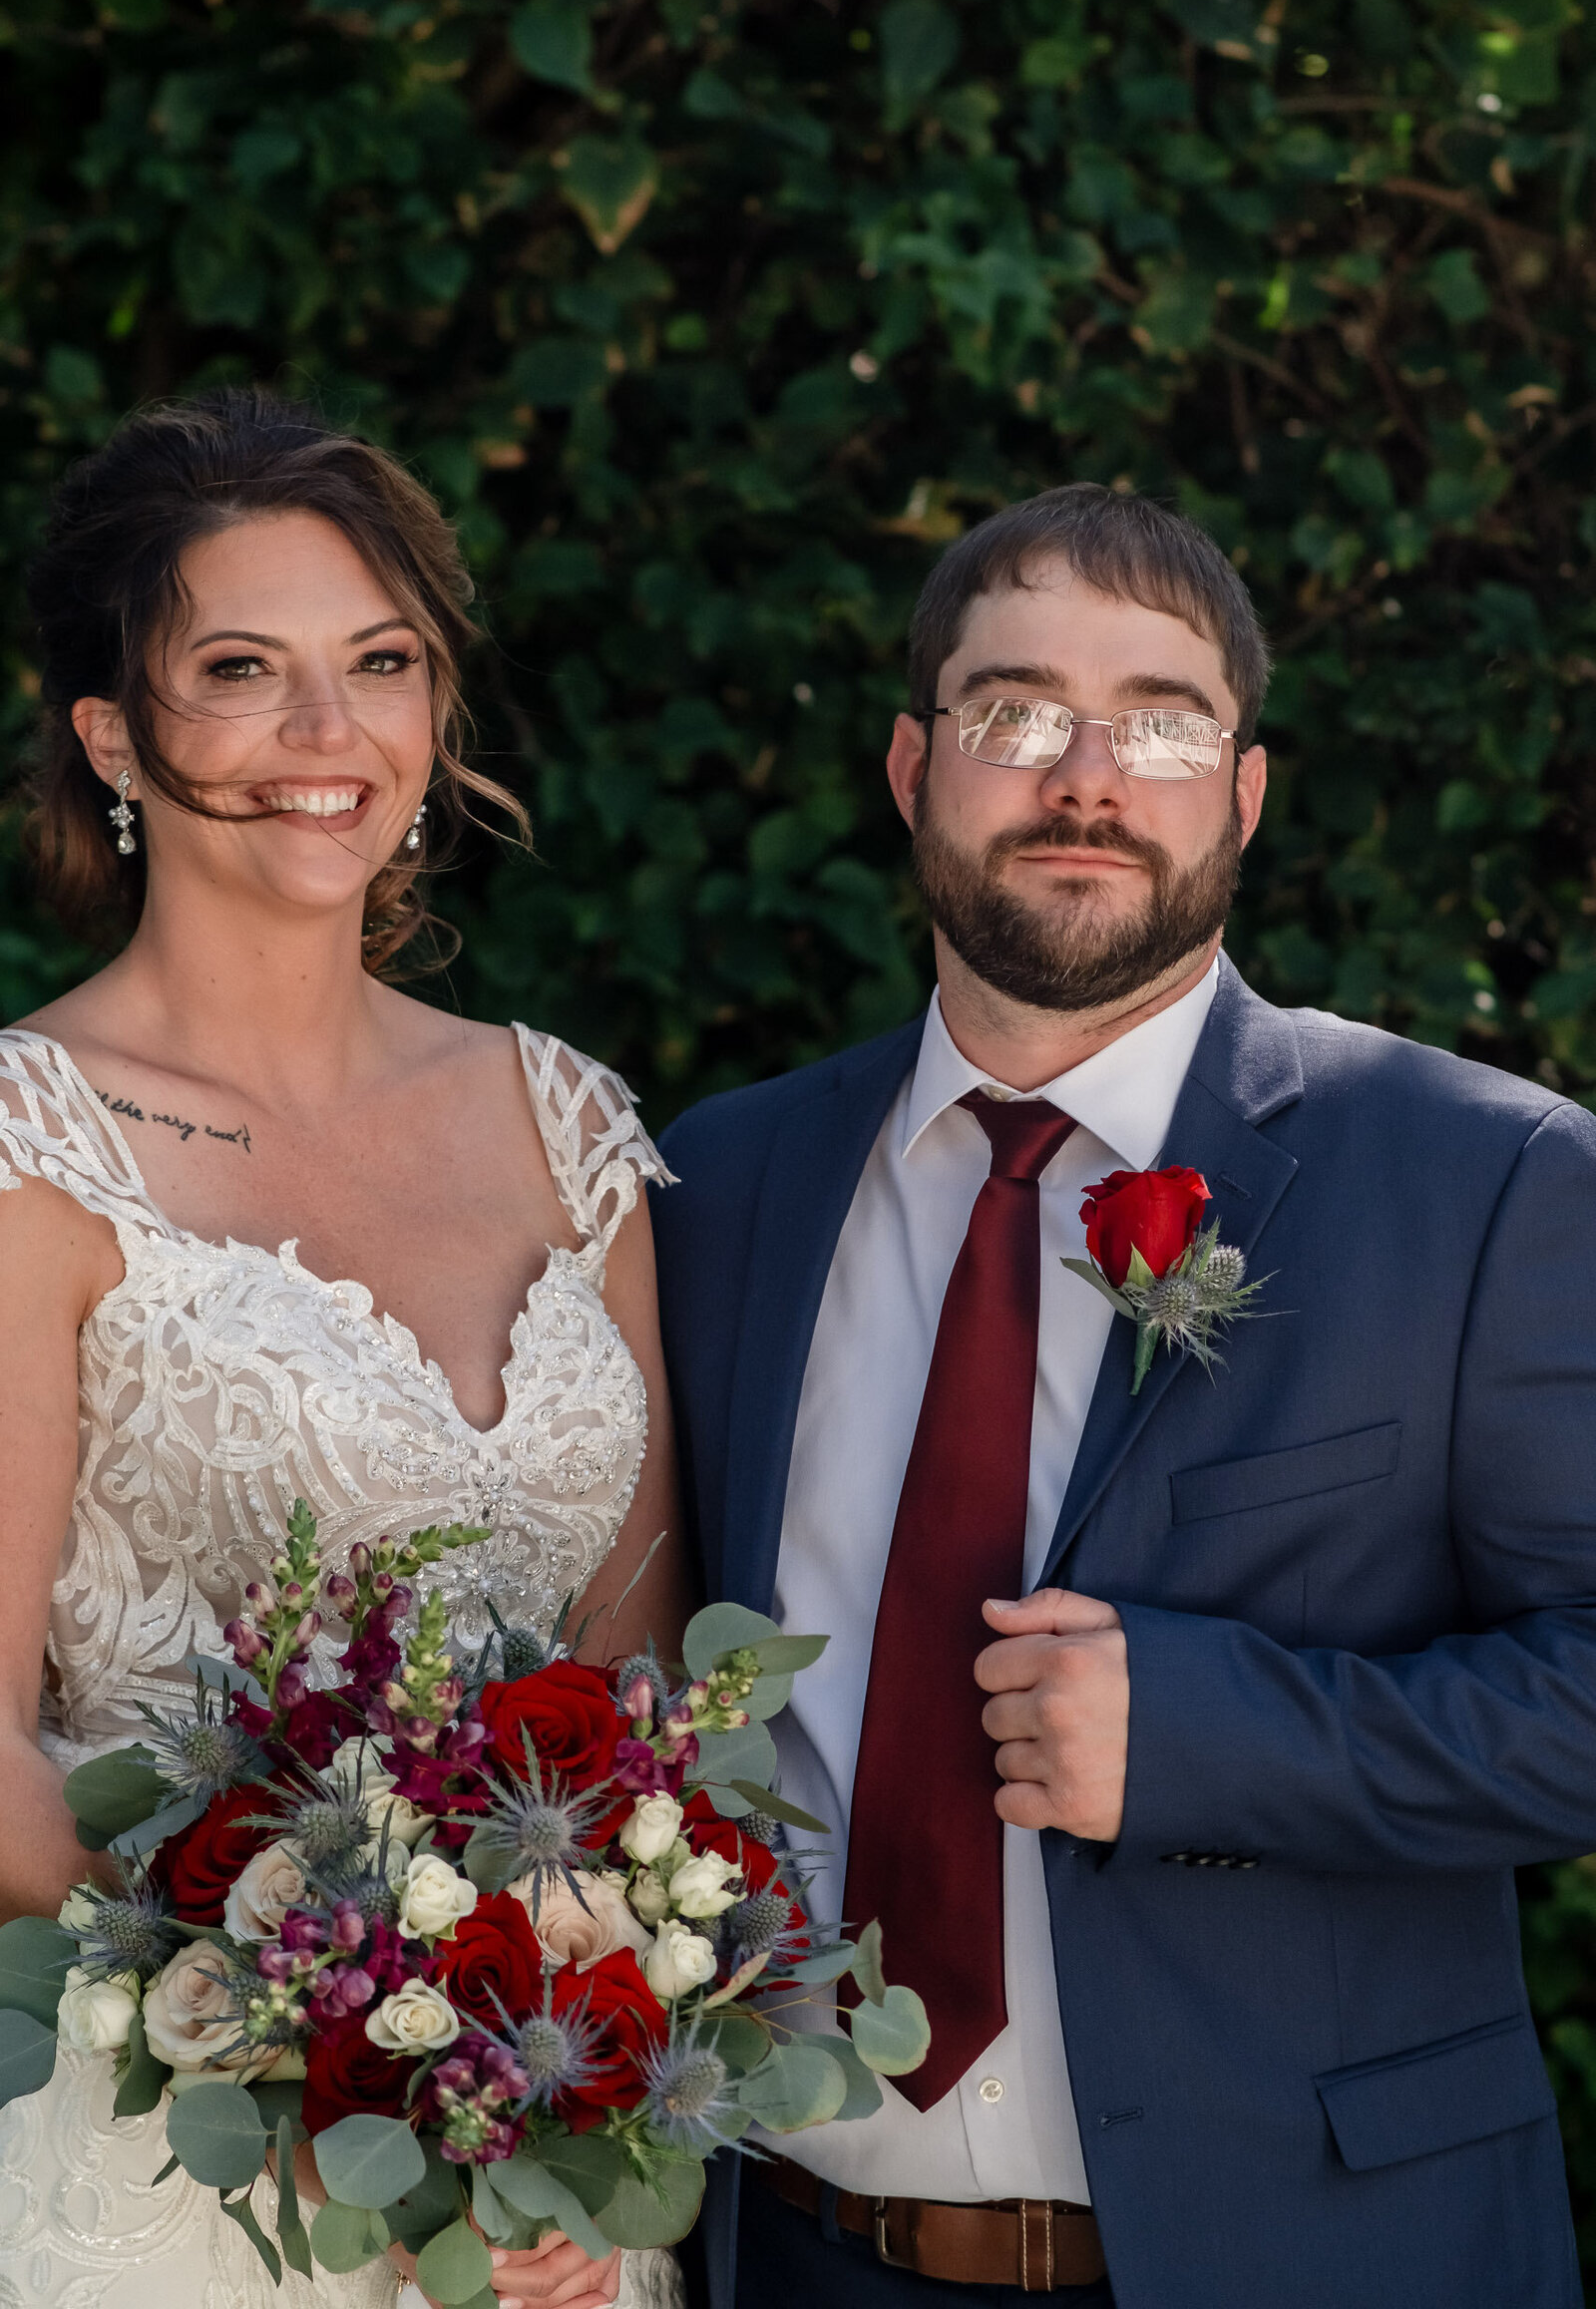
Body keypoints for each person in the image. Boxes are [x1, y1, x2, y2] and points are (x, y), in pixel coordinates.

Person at [651, 482, 1595, 2309]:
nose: (1087, 778)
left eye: (1160, 722)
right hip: (790, 2253)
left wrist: (1207, 1735)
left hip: (1316, 2257)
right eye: (1015, 713)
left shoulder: (1491, 1183)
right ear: (914, 766)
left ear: (1240, 794)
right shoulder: (725, 1186)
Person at [0, 389, 686, 2309]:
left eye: (380, 662)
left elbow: (647, 1705)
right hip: (188, 2159)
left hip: (548, 2182)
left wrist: (576, 2079)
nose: (329, 736)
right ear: (116, 737)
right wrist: (348, 2043)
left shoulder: (568, 1125)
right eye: (242, 670)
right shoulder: (26, 1150)